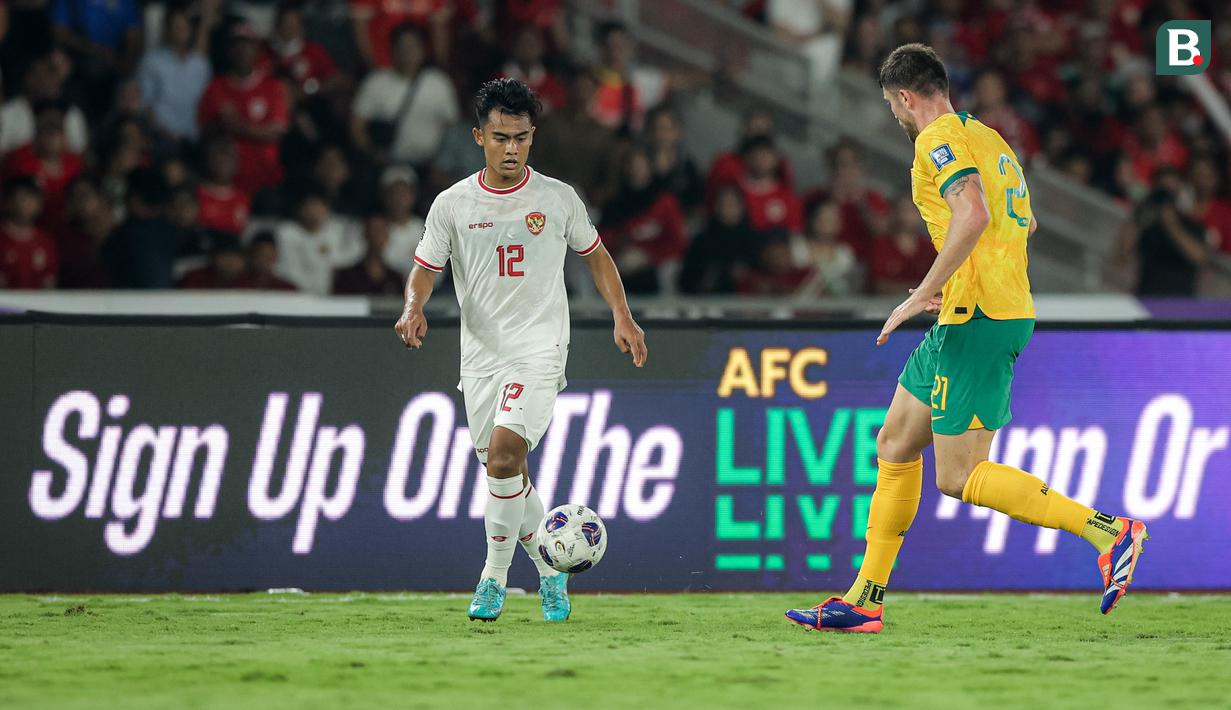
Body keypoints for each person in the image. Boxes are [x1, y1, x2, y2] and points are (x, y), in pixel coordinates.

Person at [785, 44, 1148, 633]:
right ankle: (864, 600)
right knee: (895, 443)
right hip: (974, 308)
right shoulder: (991, 139)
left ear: (904, 97)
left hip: (979, 314)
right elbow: (1024, 219)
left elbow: (973, 214)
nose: (895, 117)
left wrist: (918, 292)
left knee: (959, 476)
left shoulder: (936, 141)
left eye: (890, 105)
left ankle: (1110, 531)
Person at [394, 78, 646, 623]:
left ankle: (493, 579)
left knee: (506, 455)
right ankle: (550, 572)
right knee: (507, 478)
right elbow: (424, 270)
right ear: (478, 136)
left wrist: (622, 314)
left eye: (523, 138)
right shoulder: (452, 204)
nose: (512, 149)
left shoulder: (557, 198)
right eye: (501, 137)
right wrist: (414, 307)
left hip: (539, 351)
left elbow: (597, 257)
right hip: (480, 358)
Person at [197, 23, 290, 195]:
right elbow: (205, 131)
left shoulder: (272, 87)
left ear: (257, 50)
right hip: (227, 183)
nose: (242, 50)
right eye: (237, 45)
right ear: (229, 50)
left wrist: (236, 126)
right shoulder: (215, 88)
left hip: (265, 180)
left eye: (248, 45)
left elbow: (275, 132)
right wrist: (222, 124)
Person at [351, 22, 458, 168]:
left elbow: (452, 127)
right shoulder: (376, 82)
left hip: (432, 166)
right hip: (389, 165)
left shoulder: (439, 82)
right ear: (393, 49)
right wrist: (372, 154)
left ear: (423, 49)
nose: (408, 51)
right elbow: (357, 126)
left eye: (413, 45)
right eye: (402, 45)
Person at [137, 1, 217, 143]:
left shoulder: (201, 64)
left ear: (191, 29)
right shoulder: (152, 61)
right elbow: (145, 104)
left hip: (194, 139)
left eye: (184, 27)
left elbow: (208, 103)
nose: (180, 31)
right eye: (176, 27)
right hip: (160, 137)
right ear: (167, 30)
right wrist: (164, 133)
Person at [0, 175, 57, 289]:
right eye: (24, 196)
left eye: (35, 197)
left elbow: (49, 284)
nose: (31, 202)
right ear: (8, 201)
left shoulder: (45, 241)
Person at [333, 214, 403, 295]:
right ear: (365, 234)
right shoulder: (347, 277)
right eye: (374, 230)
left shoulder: (396, 279)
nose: (378, 235)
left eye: (382, 231)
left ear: (387, 236)